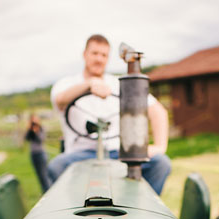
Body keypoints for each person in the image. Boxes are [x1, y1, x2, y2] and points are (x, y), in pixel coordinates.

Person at [47, 34, 171, 194]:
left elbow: (157, 111)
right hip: (80, 154)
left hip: (117, 152)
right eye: (95, 53)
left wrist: (160, 146)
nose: (99, 59)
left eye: (104, 55)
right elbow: (60, 100)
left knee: (160, 163)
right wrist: (89, 85)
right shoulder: (66, 84)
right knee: (56, 166)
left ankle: (141, 207)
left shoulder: (120, 84)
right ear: (85, 54)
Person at [24, 114, 50, 192]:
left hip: (41, 153)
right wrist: (29, 129)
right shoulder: (30, 130)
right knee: (39, 175)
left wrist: (36, 132)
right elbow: (26, 138)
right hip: (33, 154)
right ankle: (44, 192)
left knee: (44, 175)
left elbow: (41, 140)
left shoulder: (41, 129)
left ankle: (48, 191)